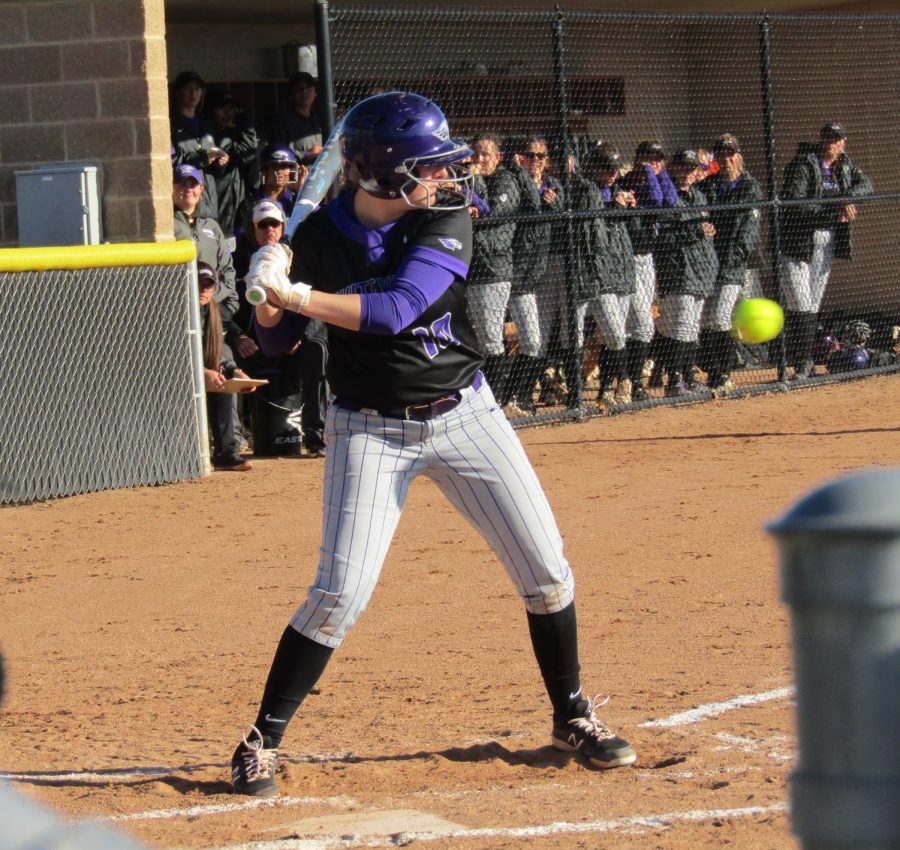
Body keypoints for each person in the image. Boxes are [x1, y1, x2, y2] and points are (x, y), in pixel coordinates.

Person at [228, 91, 636, 797]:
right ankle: (260, 739)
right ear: (384, 174)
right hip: (368, 426)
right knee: (337, 595)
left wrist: (296, 296)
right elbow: (276, 344)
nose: (446, 176)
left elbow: (394, 311)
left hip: (465, 414)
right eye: (430, 165)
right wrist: (266, 295)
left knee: (547, 571)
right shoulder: (317, 237)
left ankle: (571, 712)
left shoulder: (444, 217)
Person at [779, 122, 873, 379]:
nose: (832, 142)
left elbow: (867, 185)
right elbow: (796, 203)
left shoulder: (845, 165)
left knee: (813, 302)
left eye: (837, 138)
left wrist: (848, 198)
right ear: (821, 141)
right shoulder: (803, 164)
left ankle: (804, 361)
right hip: (797, 243)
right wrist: (835, 209)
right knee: (800, 301)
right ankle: (801, 360)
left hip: (825, 242)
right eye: (828, 138)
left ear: (843, 143)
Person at [236, 199, 328, 457]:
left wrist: (302, 335)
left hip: (297, 333)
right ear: (252, 228)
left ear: (283, 226)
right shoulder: (239, 258)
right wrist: (238, 336)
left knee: (315, 349)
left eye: (274, 224)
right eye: (263, 225)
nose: (269, 230)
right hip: (254, 339)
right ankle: (235, 438)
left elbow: (313, 298)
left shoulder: (298, 256)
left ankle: (315, 436)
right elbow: (230, 308)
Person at [699, 134, 763, 395]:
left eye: (730, 153)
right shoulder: (709, 186)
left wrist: (735, 255)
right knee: (707, 319)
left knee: (721, 316)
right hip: (707, 262)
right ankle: (711, 370)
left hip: (731, 264)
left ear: (738, 155)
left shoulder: (750, 187)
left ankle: (722, 372)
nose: (726, 159)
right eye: (722, 154)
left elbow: (749, 229)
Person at [653, 149, 719, 396]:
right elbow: (665, 237)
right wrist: (696, 232)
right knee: (679, 328)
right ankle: (674, 381)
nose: (689, 173)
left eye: (693, 168)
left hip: (701, 271)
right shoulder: (668, 199)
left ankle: (689, 377)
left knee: (692, 329)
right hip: (678, 271)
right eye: (684, 167)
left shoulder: (699, 197)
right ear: (674, 168)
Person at [465, 132, 522, 413]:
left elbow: (490, 212)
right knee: (476, 338)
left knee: (490, 337)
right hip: (472, 268)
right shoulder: (471, 179)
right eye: (476, 153)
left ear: (498, 157)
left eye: (486, 154)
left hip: (494, 268)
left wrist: (473, 182)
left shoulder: (505, 180)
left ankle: (495, 400)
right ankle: (480, 398)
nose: (479, 159)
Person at [509, 136, 565, 414]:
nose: (536, 160)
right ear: (520, 158)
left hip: (537, 270)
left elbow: (560, 219)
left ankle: (519, 394)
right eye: (530, 155)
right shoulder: (514, 181)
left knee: (535, 338)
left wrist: (553, 204)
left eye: (541, 155)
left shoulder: (552, 185)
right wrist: (521, 173)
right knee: (496, 340)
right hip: (513, 268)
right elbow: (527, 207)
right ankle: (507, 397)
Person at [620, 141, 678, 401]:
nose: (653, 162)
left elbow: (671, 202)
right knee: (638, 324)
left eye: (657, 158)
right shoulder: (633, 178)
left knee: (641, 326)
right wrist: (648, 173)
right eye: (648, 157)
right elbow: (655, 200)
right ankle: (630, 381)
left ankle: (633, 382)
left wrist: (661, 173)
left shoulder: (657, 176)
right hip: (628, 258)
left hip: (647, 257)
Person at [582, 143, 637, 407]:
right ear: (594, 168)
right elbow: (593, 229)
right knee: (615, 333)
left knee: (611, 335)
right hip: (601, 273)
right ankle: (625, 379)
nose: (612, 174)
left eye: (614, 169)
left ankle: (605, 388)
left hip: (623, 269)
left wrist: (629, 209)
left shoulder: (618, 190)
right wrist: (611, 208)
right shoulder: (588, 191)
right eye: (606, 169)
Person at [197, 261, 256, 471]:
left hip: (205, 372)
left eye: (208, 285)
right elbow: (171, 355)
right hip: (176, 373)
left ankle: (226, 453)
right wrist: (201, 372)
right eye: (199, 284)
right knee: (215, 377)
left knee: (224, 381)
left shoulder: (216, 311)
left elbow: (223, 346)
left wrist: (235, 372)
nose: (204, 289)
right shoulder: (176, 312)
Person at [204, 88, 259, 251]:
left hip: (237, 218)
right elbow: (247, 147)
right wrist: (245, 117)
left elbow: (250, 153)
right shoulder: (210, 138)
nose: (228, 113)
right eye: (222, 107)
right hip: (219, 219)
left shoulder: (234, 134)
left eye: (232, 108)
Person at [169, 70, 220, 221]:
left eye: (197, 89)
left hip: (208, 201)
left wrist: (218, 162)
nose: (193, 93)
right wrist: (202, 158)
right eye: (188, 88)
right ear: (177, 92)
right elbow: (171, 160)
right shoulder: (170, 124)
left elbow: (210, 163)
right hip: (184, 201)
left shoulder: (206, 123)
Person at [265, 71, 324, 159]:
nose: (304, 91)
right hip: (296, 171)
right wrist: (306, 154)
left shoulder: (319, 121)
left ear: (315, 93)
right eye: (300, 88)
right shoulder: (282, 122)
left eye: (308, 87)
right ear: (291, 94)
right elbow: (278, 154)